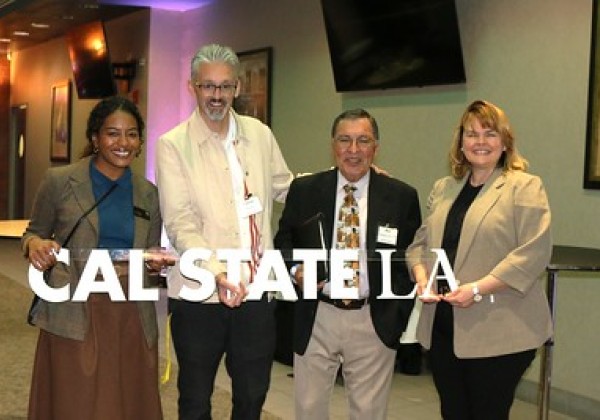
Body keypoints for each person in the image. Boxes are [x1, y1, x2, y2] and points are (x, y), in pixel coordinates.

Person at [155, 43, 293, 419]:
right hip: (200, 294)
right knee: (196, 398)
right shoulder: (172, 145)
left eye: (225, 86)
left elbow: (287, 186)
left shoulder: (259, 134)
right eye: (207, 86)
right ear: (192, 87)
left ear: (237, 88)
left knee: (252, 395)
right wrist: (216, 272)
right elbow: (180, 221)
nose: (217, 96)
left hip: (256, 292)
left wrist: (345, 179)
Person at [23, 96, 170, 419]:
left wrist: (155, 265)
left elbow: (151, 257)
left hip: (130, 312)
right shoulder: (60, 181)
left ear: (140, 142)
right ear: (94, 138)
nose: (123, 143)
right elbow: (32, 233)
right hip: (74, 308)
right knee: (76, 400)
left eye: (131, 134)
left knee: (128, 400)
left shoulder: (149, 193)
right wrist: (34, 245)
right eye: (112, 133)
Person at [406, 99, 553, 420]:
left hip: (501, 331)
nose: (480, 142)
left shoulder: (524, 187)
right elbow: (419, 246)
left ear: (505, 142)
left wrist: (476, 289)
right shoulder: (445, 188)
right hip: (445, 328)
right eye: (471, 134)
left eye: (489, 134)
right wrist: (422, 279)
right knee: (454, 412)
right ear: (461, 142)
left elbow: (533, 253)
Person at [273, 108, 421, 419]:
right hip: (317, 315)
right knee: (309, 410)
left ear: (375, 147)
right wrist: (297, 271)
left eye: (363, 140)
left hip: (372, 318)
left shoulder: (401, 197)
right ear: (333, 145)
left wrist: (395, 315)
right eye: (345, 140)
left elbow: (410, 256)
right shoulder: (305, 190)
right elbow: (283, 242)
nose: (353, 150)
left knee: (368, 413)